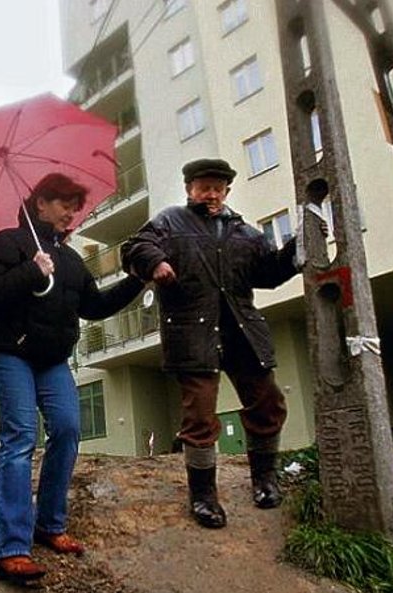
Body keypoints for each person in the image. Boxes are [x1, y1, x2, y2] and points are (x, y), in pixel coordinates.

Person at [122, 158, 315, 529]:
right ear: (189, 189)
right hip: (193, 334)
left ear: (226, 190)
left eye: (217, 187)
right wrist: (155, 262)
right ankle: (204, 496)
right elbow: (135, 247)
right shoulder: (169, 222)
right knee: (199, 416)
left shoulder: (244, 232)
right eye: (203, 187)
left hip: (242, 331)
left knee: (268, 402)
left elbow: (269, 273)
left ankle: (264, 479)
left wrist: (296, 251)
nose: (210, 194)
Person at [0, 172, 145, 583]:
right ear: (40, 204)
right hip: (11, 354)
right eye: (64, 203)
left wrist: (136, 282)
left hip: (52, 361)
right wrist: (31, 272)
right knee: (19, 438)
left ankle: (49, 524)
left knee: (67, 430)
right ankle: (12, 547)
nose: (71, 212)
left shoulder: (69, 260)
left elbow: (94, 306)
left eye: (74, 205)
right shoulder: (6, 244)